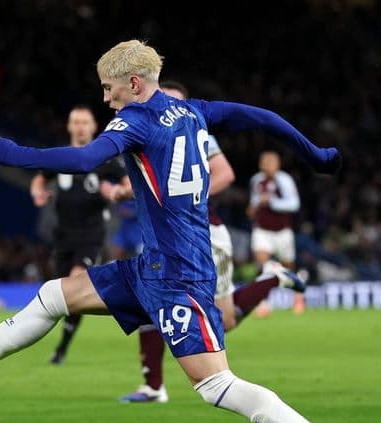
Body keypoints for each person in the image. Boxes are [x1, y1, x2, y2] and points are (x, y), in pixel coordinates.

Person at [0, 40, 355, 423]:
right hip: (152, 266)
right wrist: (314, 154)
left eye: (108, 88)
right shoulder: (194, 111)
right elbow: (260, 117)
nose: (105, 99)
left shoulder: (136, 120)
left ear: (133, 84)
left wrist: (14, 153)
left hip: (179, 274)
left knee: (215, 384)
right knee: (56, 295)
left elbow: (83, 159)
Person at [110, 81, 307, 404]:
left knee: (223, 320)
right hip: (168, 238)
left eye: (174, 101)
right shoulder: (145, 128)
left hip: (205, 234)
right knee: (150, 299)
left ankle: (272, 277)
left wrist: (188, 200)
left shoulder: (195, 129)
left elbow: (225, 174)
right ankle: (153, 386)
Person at [28, 105, 115, 365]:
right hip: (63, 236)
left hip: (91, 236)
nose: (80, 127)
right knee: (60, 291)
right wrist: (38, 192)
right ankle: (62, 341)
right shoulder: (60, 156)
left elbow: (127, 182)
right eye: (75, 122)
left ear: (93, 127)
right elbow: (39, 178)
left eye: (84, 122)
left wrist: (117, 191)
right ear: (69, 127)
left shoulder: (105, 158)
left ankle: (62, 348)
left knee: (76, 284)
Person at [249, 149, 305, 313]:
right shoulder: (256, 181)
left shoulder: (285, 180)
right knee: (261, 263)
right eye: (265, 162)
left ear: (278, 164)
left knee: (288, 266)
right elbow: (255, 200)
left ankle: (298, 294)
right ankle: (263, 302)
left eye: (271, 162)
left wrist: (272, 202)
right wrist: (253, 207)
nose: (267, 165)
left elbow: (294, 204)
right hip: (262, 230)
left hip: (282, 231)